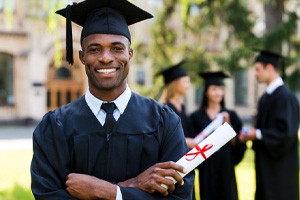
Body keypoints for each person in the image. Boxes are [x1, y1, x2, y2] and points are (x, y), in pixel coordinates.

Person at [30, 1, 194, 199]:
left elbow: (180, 195)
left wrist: (110, 192)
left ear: (130, 54)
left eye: (117, 48)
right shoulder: (55, 126)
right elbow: (47, 195)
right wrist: (133, 187)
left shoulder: (164, 122)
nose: (106, 58)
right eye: (94, 49)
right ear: (81, 56)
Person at [239, 50, 299, 200]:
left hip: (281, 172)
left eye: (258, 69)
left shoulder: (285, 97)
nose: (255, 73)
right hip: (265, 168)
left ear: (270, 68)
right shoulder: (266, 97)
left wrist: (257, 134)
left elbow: (287, 133)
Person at [189, 71, 246, 200]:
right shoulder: (196, 117)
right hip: (207, 169)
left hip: (226, 167)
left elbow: (237, 145)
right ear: (206, 92)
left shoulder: (231, 115)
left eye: (221, 89)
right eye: (214, 89)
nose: (218, 93)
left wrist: (228, 126)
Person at [157, 60, 195, 149]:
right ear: (175, 84)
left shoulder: (182, 107)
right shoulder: (163, 108)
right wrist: (184, 140)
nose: (188, 85)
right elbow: (162, 137)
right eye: (185, 82)